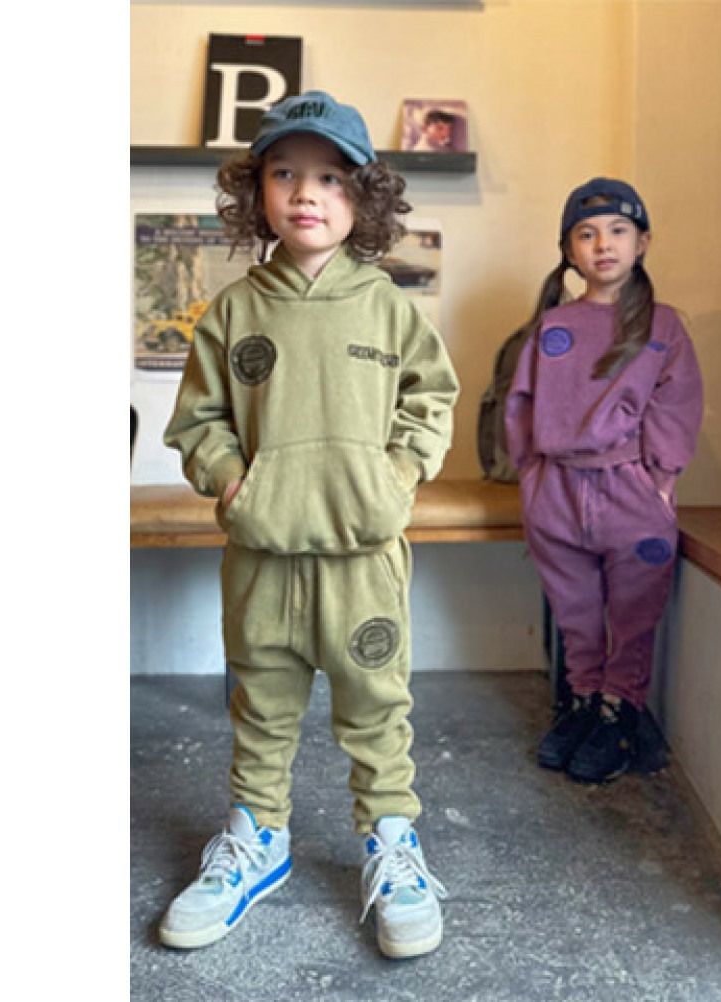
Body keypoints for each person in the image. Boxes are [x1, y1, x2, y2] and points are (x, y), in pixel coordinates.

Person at [159, 90, 459, 959]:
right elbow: (198, 421)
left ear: (365, 196)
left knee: (377, 708)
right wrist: (232, 483)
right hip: (262, 557)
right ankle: (257, 840)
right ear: (256, 192)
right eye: (285, 173)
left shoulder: (392, 309)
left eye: (330, 177)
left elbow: (430, 402)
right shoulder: (233, 312)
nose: (306, 193)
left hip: (364, 557)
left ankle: (392, 845)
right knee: (261, 709)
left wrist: (394, 480)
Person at [505, 178, 703, 785]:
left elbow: (678, 404)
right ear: (569, 250)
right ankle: (585, 702)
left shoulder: (663, 326)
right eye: (586, 234)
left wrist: (659, 477)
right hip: (557, 494)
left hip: (630, 495)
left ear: (643, 242)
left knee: (634, 614)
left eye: (618, 230)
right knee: (577, 612)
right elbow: (520, 405)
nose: (603, 245)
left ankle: (621, 710)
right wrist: (533, 477)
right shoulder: (552, 326)